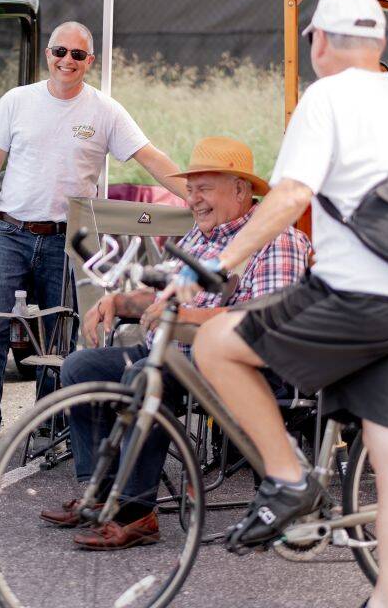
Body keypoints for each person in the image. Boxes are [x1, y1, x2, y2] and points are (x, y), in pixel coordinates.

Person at [190, 0, 388, 608]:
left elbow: (290, 195)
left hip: (361, 295)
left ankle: (286, 477)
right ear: (381, 44)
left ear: (319, 43)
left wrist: (217, 263)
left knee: (216, 342)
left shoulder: (323, 97)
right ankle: (386, 603)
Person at [43, 137, 310, 550]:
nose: (193, 198)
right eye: (189, 189)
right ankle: (98, 493)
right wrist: (117, 301)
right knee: (81, 367)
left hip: (235, 368)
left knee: (146, 374)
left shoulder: (277, 241)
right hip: (174, 356)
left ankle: (137, 512)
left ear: (240, 189)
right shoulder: (198, 238)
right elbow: (163, 294)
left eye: (204, 188)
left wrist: (192, 318)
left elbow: (267, 319)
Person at [0, 21, 188, 459]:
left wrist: (198, 197)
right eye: (60, 51)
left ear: (89, 62)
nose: (67, 61)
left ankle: (50, 427)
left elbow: (151, 158)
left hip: (68, 238)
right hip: (12, 230)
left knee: (60, 333)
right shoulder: (18, 101)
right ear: (48, 55)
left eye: (78, 55)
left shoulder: (105, 111)